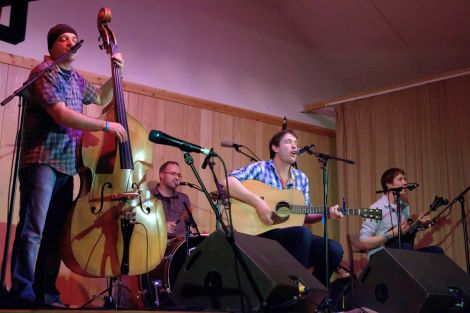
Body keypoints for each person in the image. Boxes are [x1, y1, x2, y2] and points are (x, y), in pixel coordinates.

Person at [9, 24, 128, 306]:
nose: (71, 43)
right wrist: (106, 125)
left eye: (74, 39)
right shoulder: (44, 71)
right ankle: (22, 293)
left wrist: (117, 72)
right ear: (52, 46)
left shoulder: (75, 77)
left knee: (53, 233)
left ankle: (46, 293)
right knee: (34, 230)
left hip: (66, 165)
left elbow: (100, 97)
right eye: (64, 39)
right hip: (41, 160)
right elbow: (61, 114)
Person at [227, 129, 344, 287]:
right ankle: (291, 291)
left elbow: (305, 214)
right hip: (261, 232)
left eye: (296, 143)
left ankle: (314, 295)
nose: (294, 146)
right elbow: (228, 182)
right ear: (275, 147)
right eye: (289, 142)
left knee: (334, 248)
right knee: (303, 234)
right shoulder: (261, 169)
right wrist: (257, 202)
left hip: (291, 236)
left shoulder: (301, 178)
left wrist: (327, 214)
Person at [359, 167, 444, 258]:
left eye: (405, 179)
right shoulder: (375, 208)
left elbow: (404, 235)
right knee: (404, 248)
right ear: (388, 184)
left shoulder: (404, 207)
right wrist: (390, 234)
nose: (405, 182)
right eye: (400, 179)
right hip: (380, 254)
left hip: (401, 252)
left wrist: (419, 224)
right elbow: (364, 242)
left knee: (437, 252)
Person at [153, 161, 193, 238]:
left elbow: (190, 227)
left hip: (180, 247)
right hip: (157, 247)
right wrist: (161, 228)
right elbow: (141, 226)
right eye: (173, 174)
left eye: (178, 175)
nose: (177, 178)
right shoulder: (149, 196)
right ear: (161, 175)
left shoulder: (183, 198)